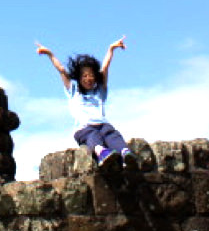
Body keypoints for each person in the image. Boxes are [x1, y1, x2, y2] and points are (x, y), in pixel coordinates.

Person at [35, 37, 137, 172]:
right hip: (84, 128)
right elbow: (61, 70)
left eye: (91, 76)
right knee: (93, 136)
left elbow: (105, 68)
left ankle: (125, 153)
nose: (89, 79)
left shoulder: (99, 91)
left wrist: (111, 49)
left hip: (102, 125)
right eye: (85, 76)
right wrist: (49, 54)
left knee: (112, 134)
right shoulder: (74, 91)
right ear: (79, 78)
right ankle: (102, 153)